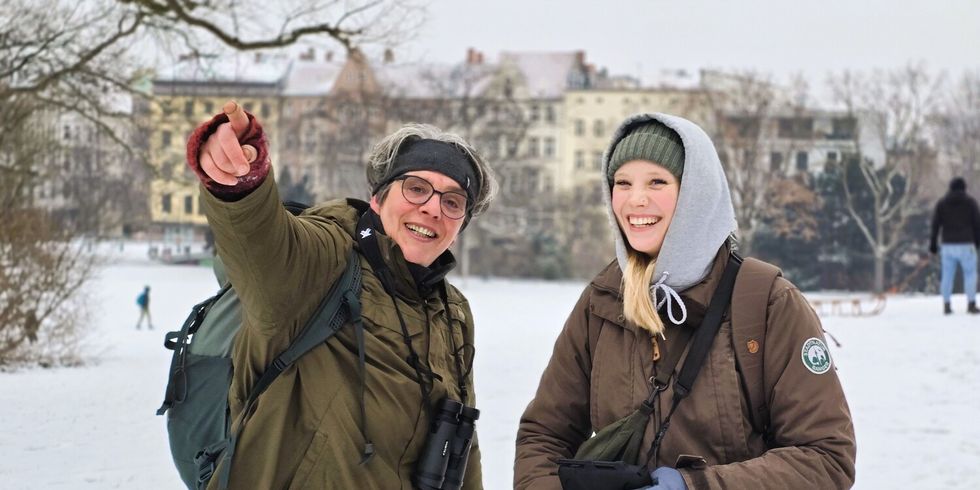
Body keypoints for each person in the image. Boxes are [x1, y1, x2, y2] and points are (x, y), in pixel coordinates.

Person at [514, 114, 856, 489]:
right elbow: (543, 437)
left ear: (697, 194)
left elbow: (825, 457)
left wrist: (696, 486)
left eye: (657, 181)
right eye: (622, 183)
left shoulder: (768, 303)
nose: (635, 199)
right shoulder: (603, 299)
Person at [186, 101, 497, 489]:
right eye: (416, 188)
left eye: (452, 202)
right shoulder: (324, 260)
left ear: (460, 225)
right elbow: (263, 241)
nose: (433, 208)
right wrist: (240, 181)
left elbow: (463, 437)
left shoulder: (452, 311)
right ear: (378, 199)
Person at [929, 177, 980, 314]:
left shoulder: (942, 203)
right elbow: (977, 225)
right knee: (970, 275)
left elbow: (935, 225)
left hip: (948, 245)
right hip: (967, 244)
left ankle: (946, 304)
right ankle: (971, 304)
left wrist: (933, 244)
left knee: (947, 275)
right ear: (964, 188)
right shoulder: (970, 203)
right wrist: (977, 243)